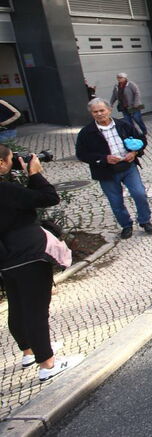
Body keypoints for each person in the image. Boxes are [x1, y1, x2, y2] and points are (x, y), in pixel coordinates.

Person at [0, 145, 84, 382]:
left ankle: (29, 351)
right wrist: (35, 174)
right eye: (8, 160)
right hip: (28, 254)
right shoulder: (5, 189)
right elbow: (49, 197)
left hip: (6, 259)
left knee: (17, 306)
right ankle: (47, 364)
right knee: (36, 311)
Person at [75, 99, 152, 239]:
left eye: (102, 110)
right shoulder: (87, 132)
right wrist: (104, 158)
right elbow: (81, 154)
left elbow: (142, 140)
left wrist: (134, 153)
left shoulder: (124, 125)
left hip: (128, 166)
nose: (99, 114)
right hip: (106, 171)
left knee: (139, 193)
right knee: (115, 201)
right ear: (91, 113)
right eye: (95, 112)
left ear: (109, 110)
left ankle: (145, 220)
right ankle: (126, 225)